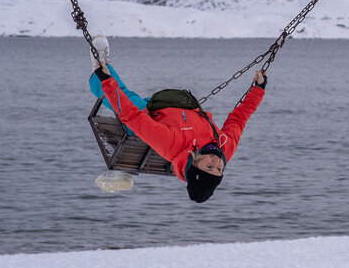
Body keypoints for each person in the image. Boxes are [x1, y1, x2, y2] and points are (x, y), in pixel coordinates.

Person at [88, 35, 267, 203]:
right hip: (184, 104)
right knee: (123, 98)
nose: (217, 163)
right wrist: (258, 89)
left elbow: (132, 116)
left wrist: (107, 81)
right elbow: (238, 119)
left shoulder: (171, 145)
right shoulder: (224, 147)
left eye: (209, 168)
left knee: (123, 97)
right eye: (219, 169)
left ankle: (100, 66)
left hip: (153, 111)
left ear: (195, 166)